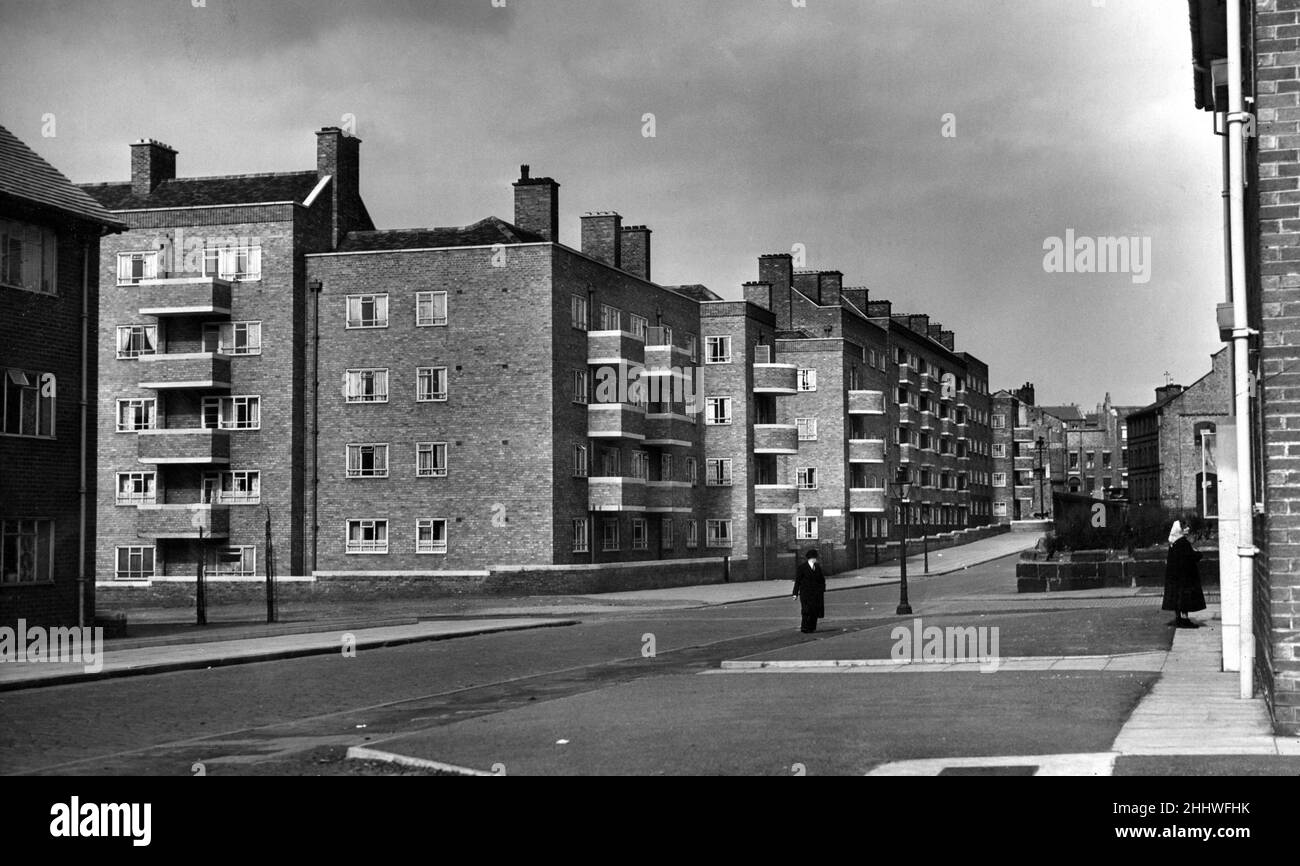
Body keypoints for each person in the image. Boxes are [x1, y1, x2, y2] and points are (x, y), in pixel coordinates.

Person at [1162, 518, 1205, 628]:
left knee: (1177, 599)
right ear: (1180, 530)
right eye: (1184, 527)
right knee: (1185, 599)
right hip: (1184, 577)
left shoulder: (1173, 542)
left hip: (1174, 577)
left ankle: (1178, 618)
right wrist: (1199, 554)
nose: (1187, 529)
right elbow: (1191, 557)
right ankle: (1185, 620)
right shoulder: (1183, 542)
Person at [792, 549, 825, 634]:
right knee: (806, 610)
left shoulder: (817, 567)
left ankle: (812, 627)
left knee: (814, 610)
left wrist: (822, 589)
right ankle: (804, 627)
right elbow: (798, 581)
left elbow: (822, 579)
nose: (816, 559)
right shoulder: (802, 568)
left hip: (816, 594)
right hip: (806, 593)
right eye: (814, 558)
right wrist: (795, 593)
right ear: (811, 558)